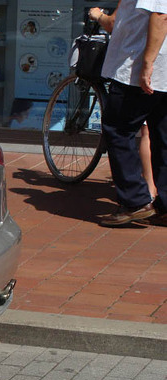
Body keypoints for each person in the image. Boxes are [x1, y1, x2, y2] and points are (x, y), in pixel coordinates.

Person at [92, 1, 167, 227]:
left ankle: (135, 201)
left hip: (139, 72)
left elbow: (161, 14)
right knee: (163, 136)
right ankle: (163, 206)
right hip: (158, 73)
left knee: (118, 129)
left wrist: (147, 63)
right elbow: (117, 21)